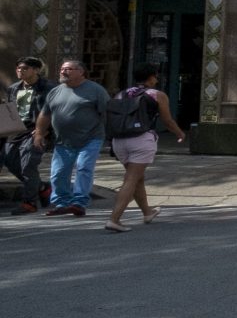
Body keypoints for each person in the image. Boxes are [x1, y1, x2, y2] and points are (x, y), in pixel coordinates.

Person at [105, 63, 185, 233]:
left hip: (119, 141)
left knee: (137, 178)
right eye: (155, 76)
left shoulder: (121, 94)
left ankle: (147, 212)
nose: (156, 79)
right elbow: (167, 121)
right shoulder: (157, 95)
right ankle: (114, 219)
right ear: (151, 78)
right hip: (141, 139)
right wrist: (180, 133)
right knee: (131, 179)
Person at [34, 60, 110, 217]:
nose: (63, 72)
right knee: (58, 173)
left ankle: (79, 203)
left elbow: (107, 113)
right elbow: (45, 114)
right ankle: (62, 203)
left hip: (91, 138)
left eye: (68, 69)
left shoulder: (96, 90)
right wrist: (39, 133)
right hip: (63, 141)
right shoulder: (55, 91)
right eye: (62, 69)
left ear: (81, 72)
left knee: (83, 168)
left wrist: (112, 136)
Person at [5, 57, 51, 214]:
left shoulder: (47, 88)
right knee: (10, 161)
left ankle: (29, 202)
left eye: (25, 68)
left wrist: (44, 130)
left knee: (28, 165)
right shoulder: (13, 88)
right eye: (18, 68)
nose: (20, 71)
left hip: (36, 131)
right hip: (16, 131)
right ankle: (43, 187)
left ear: (36, 70)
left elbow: (53, 110)